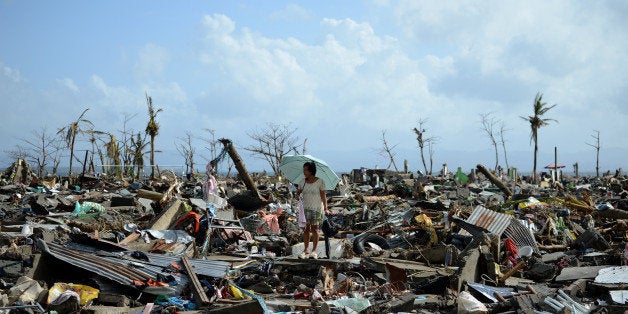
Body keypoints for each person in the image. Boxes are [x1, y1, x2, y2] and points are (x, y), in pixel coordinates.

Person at [296, 161, 329, 259]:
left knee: (315, 229)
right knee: (306, 229)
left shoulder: (320, 182)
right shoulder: (303, 182)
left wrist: (326, 208)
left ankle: (314, 251)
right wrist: (297, 195)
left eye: (306, 170)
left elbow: (323, 196)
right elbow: (298, 192)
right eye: (304, 170)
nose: (304, 172)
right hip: (305, 209)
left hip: (316, 208)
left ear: (311, 171)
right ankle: (306, 249)